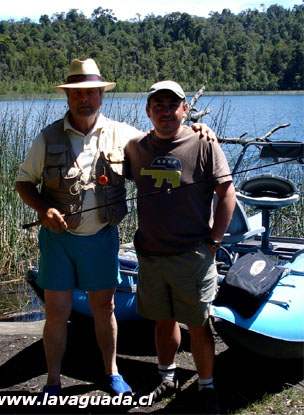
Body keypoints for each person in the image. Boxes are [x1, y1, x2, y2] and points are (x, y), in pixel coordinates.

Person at [16, 59, 216, 398]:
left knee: (104, 309)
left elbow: (163, 141)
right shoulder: (47, 137)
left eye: (92, 92)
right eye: (78, 93)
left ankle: (111, 372)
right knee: (56, 312)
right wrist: (44, 208)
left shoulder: (123, 134)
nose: (86, 99)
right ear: (68, 97)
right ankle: (52, 381)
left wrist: (197, 130)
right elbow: (24, 182)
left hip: (102, 238)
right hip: (58, 241)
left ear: (101, 96)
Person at [125, 80, 236, 414]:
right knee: (162, 320)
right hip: (151, 255)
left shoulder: (203, 143)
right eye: (157, 105)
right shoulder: (135, 147)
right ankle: (166, 375)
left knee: (200, 325)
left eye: (172, 105)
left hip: (193, 256)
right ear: (148, 111)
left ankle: (206, 388)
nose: (165, 111)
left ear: (185, 109)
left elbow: (227, 195)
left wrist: (214, 243)